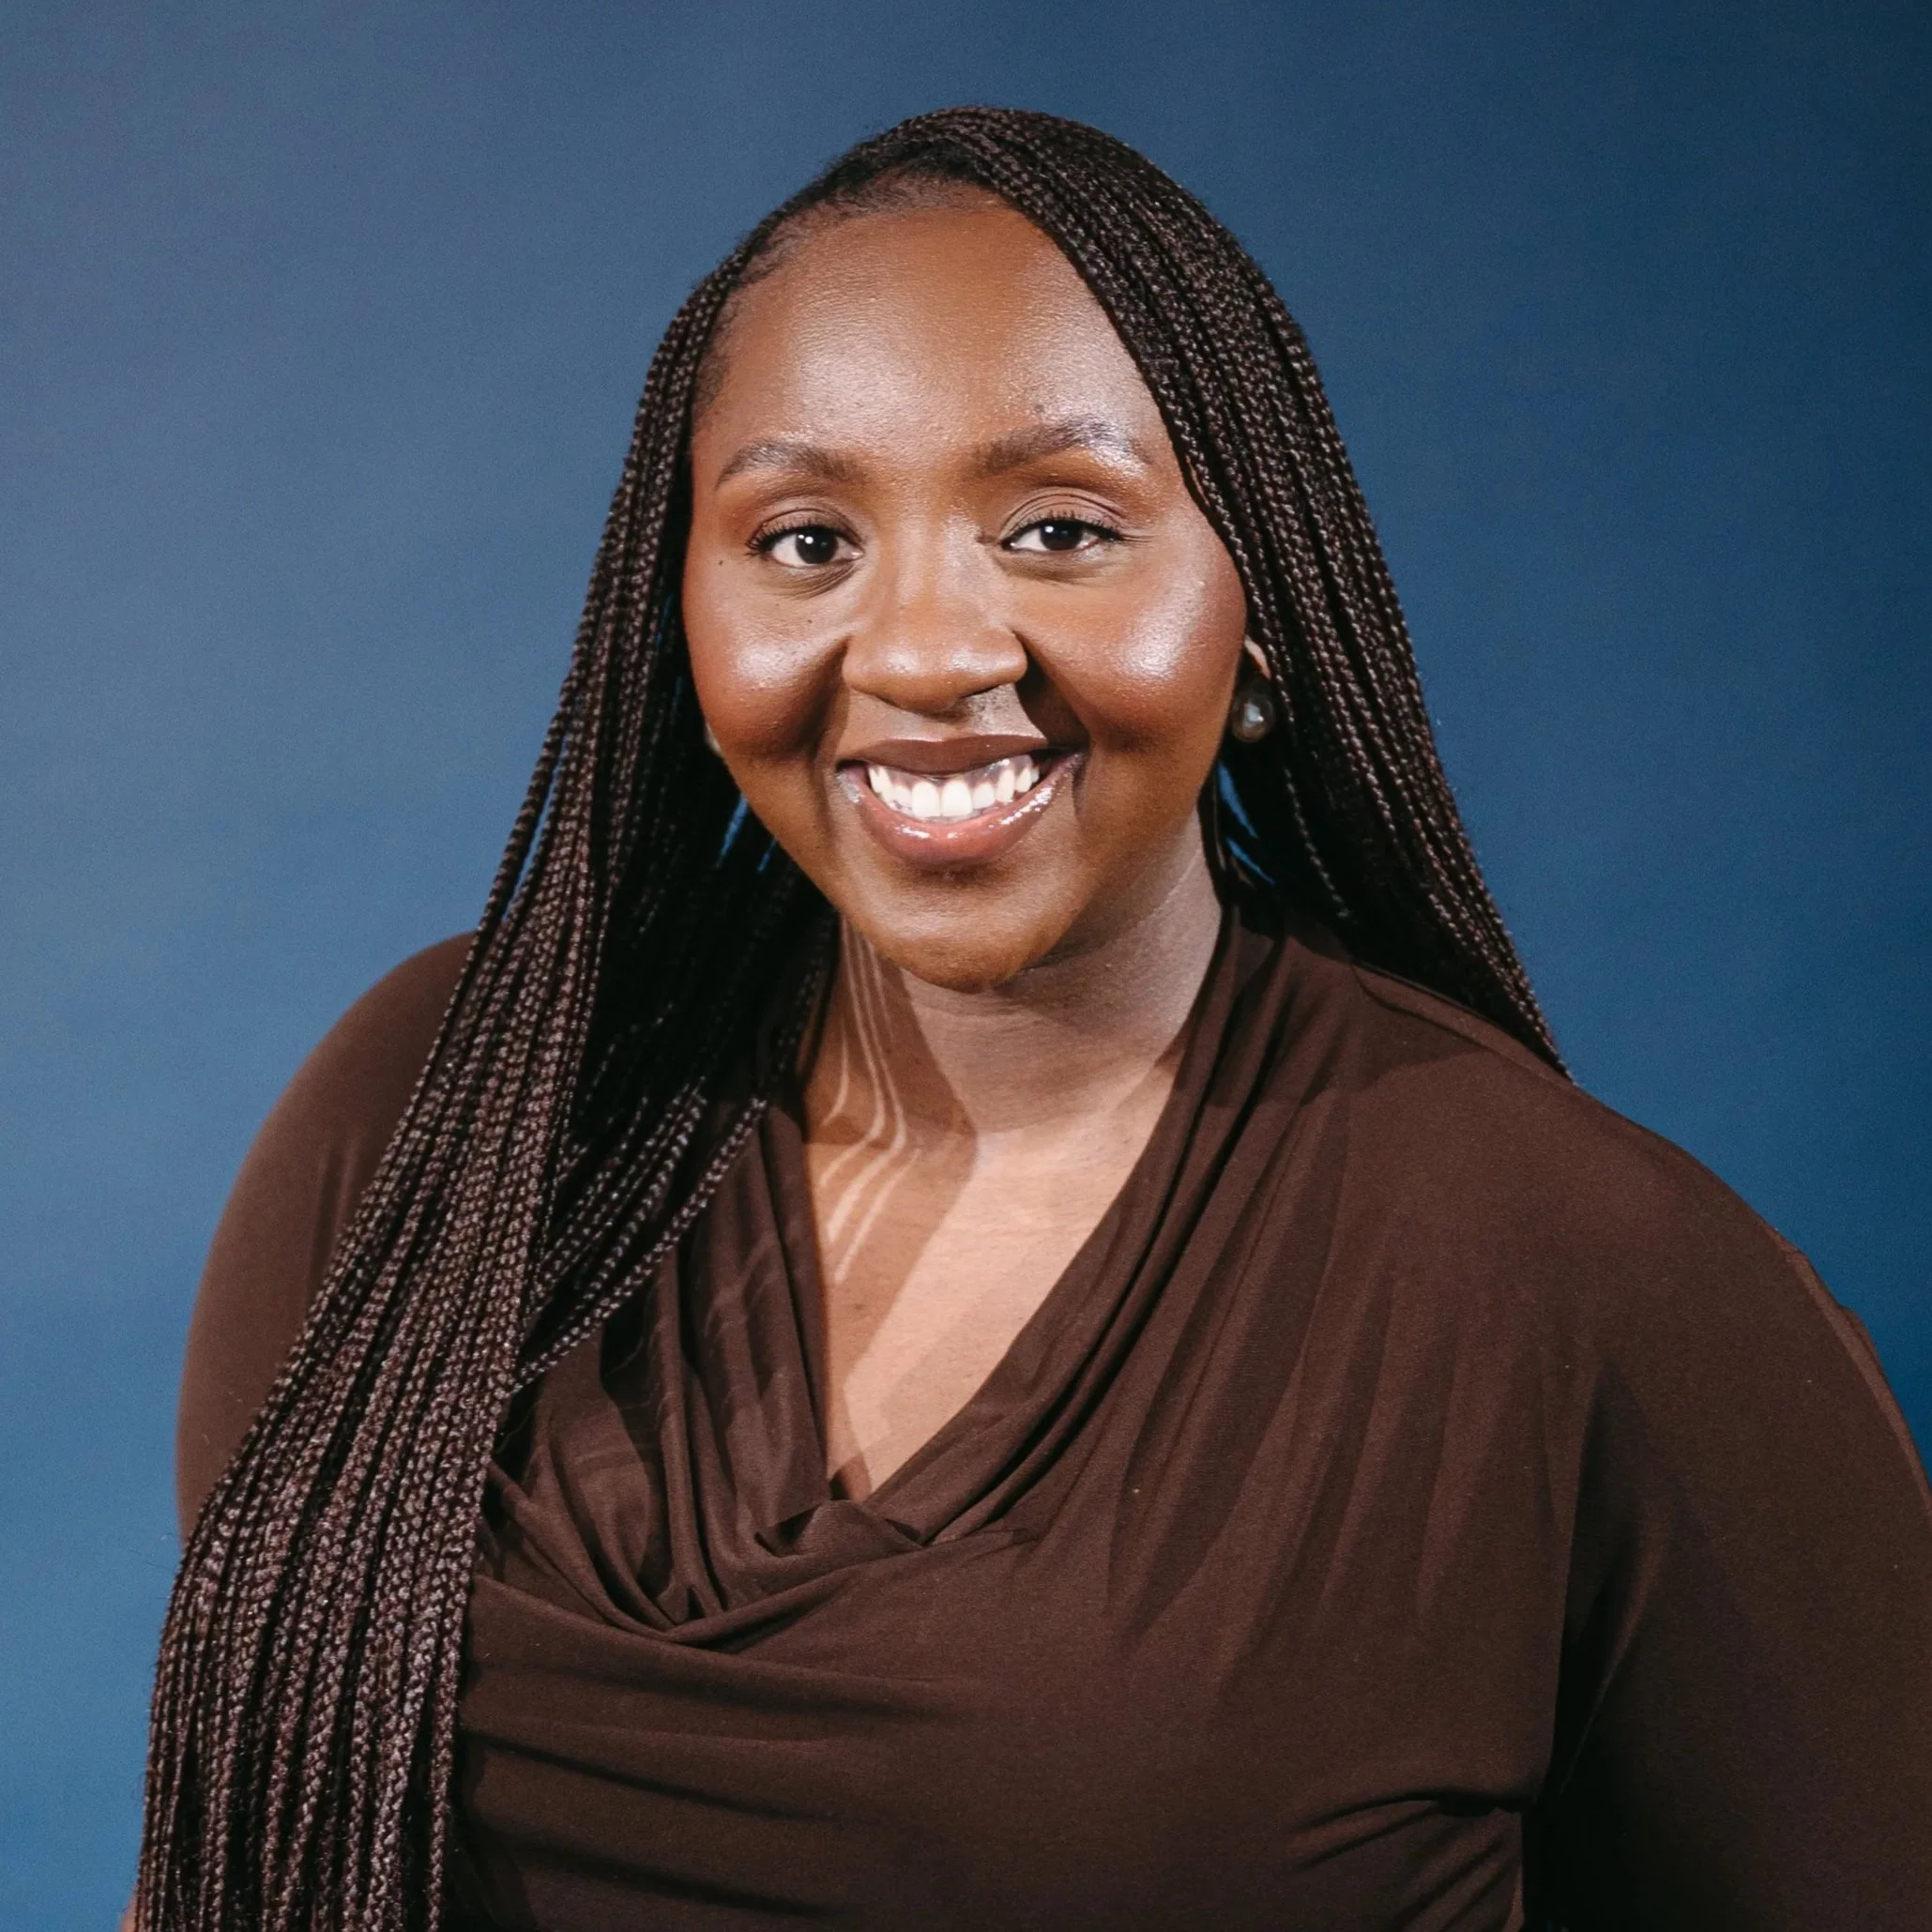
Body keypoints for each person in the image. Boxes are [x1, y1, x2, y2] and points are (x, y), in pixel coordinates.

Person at [137, 108, 1932, 1931]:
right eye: (807, 538)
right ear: (673, 612)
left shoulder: (1588, 1278)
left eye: (1061, 529)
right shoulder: (445, 1123)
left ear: (1266, 625)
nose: (924, 651)